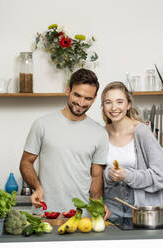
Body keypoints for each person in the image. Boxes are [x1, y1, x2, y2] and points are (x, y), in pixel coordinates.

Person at [20, 68, 110, 218]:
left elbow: (96, 176)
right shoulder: (42, 124)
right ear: (68, 90)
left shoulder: (100, 134)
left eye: (88, 99)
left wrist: (97, 204)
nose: (81, 103)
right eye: (77, 95)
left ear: (94, 99)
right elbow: (26, 162)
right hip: (45, 212)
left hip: (82, 216)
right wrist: (36, 187)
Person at [101, 81, 163, 222]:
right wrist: (108, 174)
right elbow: (96, 175)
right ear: (103, 106)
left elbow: (162, 175)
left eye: (119, 102)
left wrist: (127, 175)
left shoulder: (141, 132)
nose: (114, 107)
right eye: (108, 102)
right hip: (111, 209)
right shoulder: (101, 134)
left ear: (128, 105)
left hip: (140, 211)